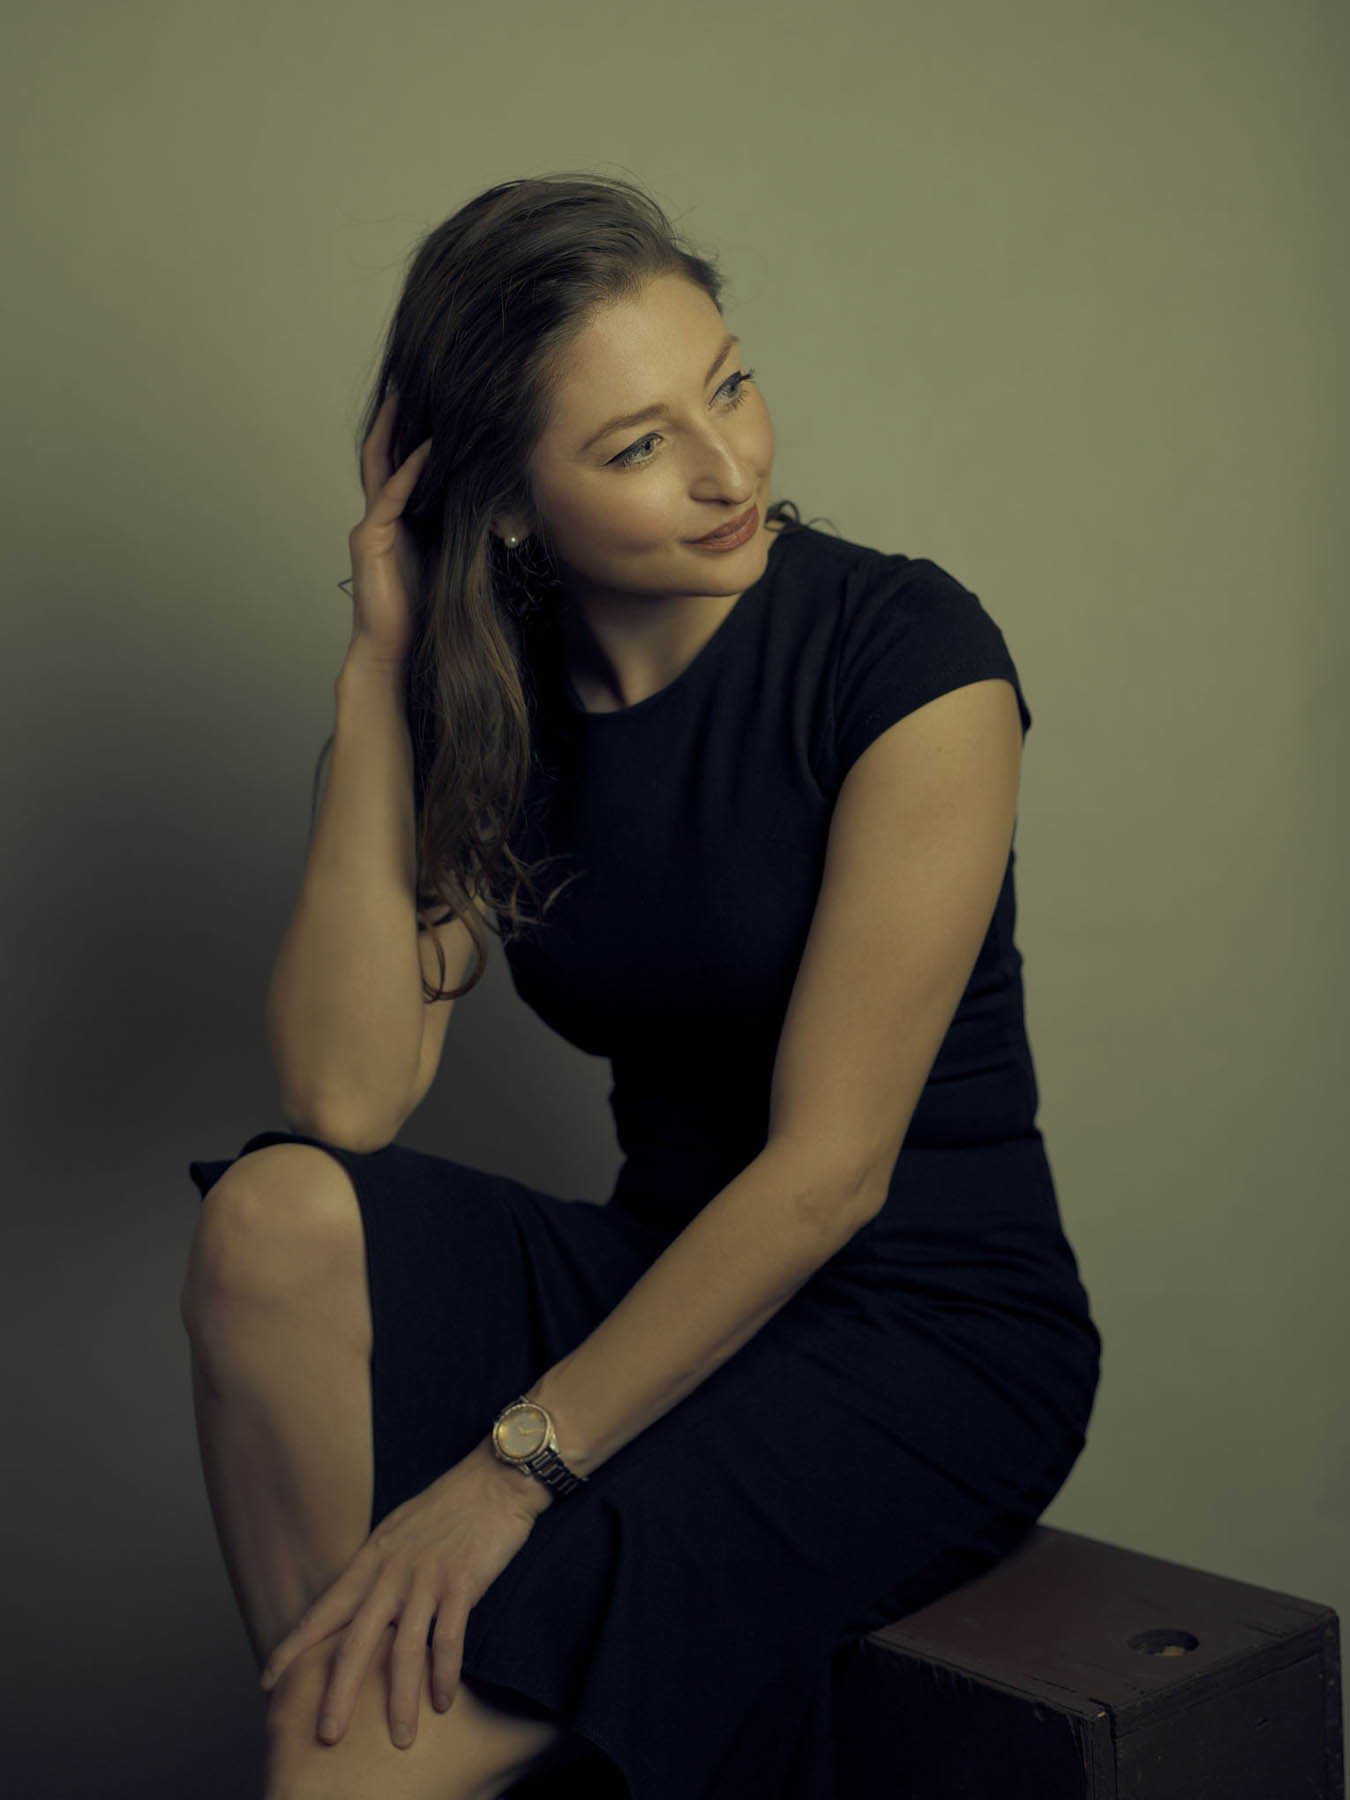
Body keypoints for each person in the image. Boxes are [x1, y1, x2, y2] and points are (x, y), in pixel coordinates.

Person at [180, 172, 1102, 1800]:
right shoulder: (499, 694)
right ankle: (360, 1725)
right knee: (270, 1215)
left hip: (922, 1330)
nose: (729, 469)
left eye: (728, 386)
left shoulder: (908, 656)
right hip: (658, 1277)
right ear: (506, 506)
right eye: (634, 446)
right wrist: (381, 668)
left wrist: (505, 1473)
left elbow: (827, 1177)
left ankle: (365, 1748)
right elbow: (345, 1095)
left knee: (349, 1766)